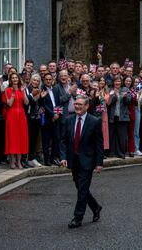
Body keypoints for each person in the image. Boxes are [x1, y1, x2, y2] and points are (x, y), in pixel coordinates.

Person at [60, 95, 103, 229]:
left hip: (88, 161)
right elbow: (63, 141)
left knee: (82, 189)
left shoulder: (94, 121)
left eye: (80, 104)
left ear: (86, 106)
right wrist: (63, 157)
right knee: (80, 188)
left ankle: (77, 218)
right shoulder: (68, 120)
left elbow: (98, 144)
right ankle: (96, 207)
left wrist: (99, 163)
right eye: (76, 104)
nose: (77, 106)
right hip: (74, 160)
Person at [2, 73, 29, 169]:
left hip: (21, 115)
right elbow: (9, 104)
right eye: (12, 78)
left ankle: (19, 161)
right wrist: (13, 92)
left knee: (21, 137)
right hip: (12, 115)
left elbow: (26, 103)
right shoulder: (7, 90)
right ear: (10, 80)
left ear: (18, 79)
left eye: (16, 78)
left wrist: (24, 92)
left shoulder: (22, 89)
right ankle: (12, 161)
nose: (14, 79)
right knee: (13, 137)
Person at [107, 75, 131, 158]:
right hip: (112, 116)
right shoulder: (110, 90)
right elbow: (108, 103)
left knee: (122, 136)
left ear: (121, 82)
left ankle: (121, 153)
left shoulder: (125, 90)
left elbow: (128, 101)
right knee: (112, 134)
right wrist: (112, 95)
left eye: (119, 81)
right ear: (113, 82)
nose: (117, 83)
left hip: (122, 116)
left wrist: (124, 97)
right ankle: (111, 152)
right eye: (116, 81)